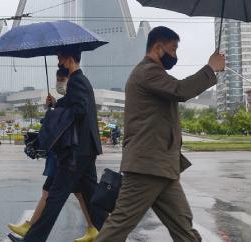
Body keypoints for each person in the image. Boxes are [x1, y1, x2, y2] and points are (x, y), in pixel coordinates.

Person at [96, 26, 225, 242]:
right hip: (147, 166)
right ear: (158, 47)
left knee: (184, 227)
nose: (175, 55)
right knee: (119, 225)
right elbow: (180, 90)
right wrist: (210, 68)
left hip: (162, 167)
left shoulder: (154, 74)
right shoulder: (148, 72)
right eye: (173, 49)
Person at [14, 48, 108, 242]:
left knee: (55, 197)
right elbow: (74, 103)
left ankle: (32, 239)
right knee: (92, 201)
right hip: (85, 150)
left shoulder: (77, 80)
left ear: (69, 59)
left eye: (59, 58)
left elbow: (80, 109)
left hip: (77, 151)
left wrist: (56, 113)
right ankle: (113, 235)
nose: (58, 61)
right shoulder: (79, 80)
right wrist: (57, 103)